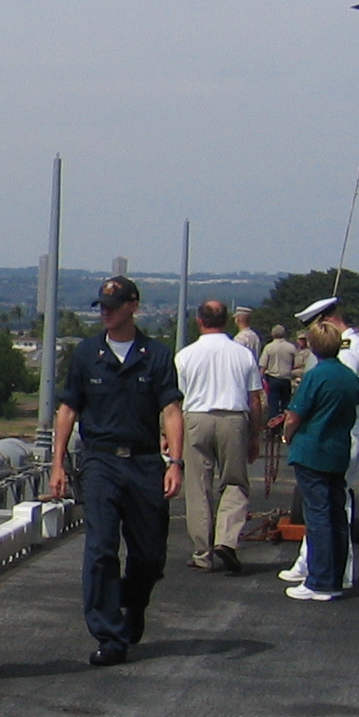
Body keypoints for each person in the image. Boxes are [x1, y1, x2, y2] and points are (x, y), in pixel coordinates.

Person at [48, 275, 184, 668]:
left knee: (150, 554)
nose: (105, 313)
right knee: (101, 549)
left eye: (113, 306)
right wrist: (58, 463)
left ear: (133, 307)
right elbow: (68, 410)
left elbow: (171, 410)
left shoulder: (155, 355)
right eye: (102, 307)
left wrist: (175, 462)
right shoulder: (87, 354)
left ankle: (132, 602)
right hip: (100, 461)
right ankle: (109, 636)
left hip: (143, 461)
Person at [279, 296, 359, 590]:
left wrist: (292, 430)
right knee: (325, 507)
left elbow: (329, 397)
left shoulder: (346, 353)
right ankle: (311, 564)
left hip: (331, 434)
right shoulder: (357, 346)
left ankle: (331, 572)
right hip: (343, 431)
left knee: (329, 509)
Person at [175, 297, 266, 573]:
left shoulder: (185, 355)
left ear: (199, 321)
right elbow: (255, 399)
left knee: (198, 487)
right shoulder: (243, 354)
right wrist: (254, 435)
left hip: (196, 417)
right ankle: (226, 539)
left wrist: (168, 436)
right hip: (232, 418)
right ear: (226, 321)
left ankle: (202, 552)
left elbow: (176, 401)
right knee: (234, 482)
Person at [259, 323, 300, 418]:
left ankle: (273, 423)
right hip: (286, 378)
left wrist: (260, 379)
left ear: (272, 334)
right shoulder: (291, 347)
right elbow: (296, 364)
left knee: (273, 404)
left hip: (273, 378)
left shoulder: (268, 347)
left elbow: (263, 365)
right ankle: (285, 422)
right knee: (286, 403)